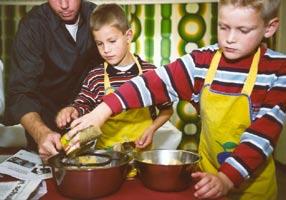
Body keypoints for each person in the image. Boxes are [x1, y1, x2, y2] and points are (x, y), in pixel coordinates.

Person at [66, 0, 285, 199]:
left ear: (270, 27)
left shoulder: (279, 71)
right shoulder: (201, 62)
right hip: (206, 180)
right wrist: (102, 110)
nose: (229, 39)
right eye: (223, 27)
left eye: (243, 30)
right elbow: (154, 83)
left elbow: (262, 134)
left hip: (252, 186)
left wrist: (227, 178)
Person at [56, 4, 181, 150]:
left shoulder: (150, 73)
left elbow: (167, 110)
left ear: (128, 36)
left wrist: (151, 129)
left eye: (112, 41)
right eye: (99, 44)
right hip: (107, 157)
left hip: (141, 153)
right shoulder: (95, 77)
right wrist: (72, 110)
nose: (106, 50)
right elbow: (83, 105)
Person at [4, 0, 103, 159]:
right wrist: (41, 133)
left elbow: (114, 71)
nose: (64, 5)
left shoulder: (97, 16)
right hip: (45, 127)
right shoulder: (32, 26)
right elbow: (20, 93)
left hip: (93, 128)